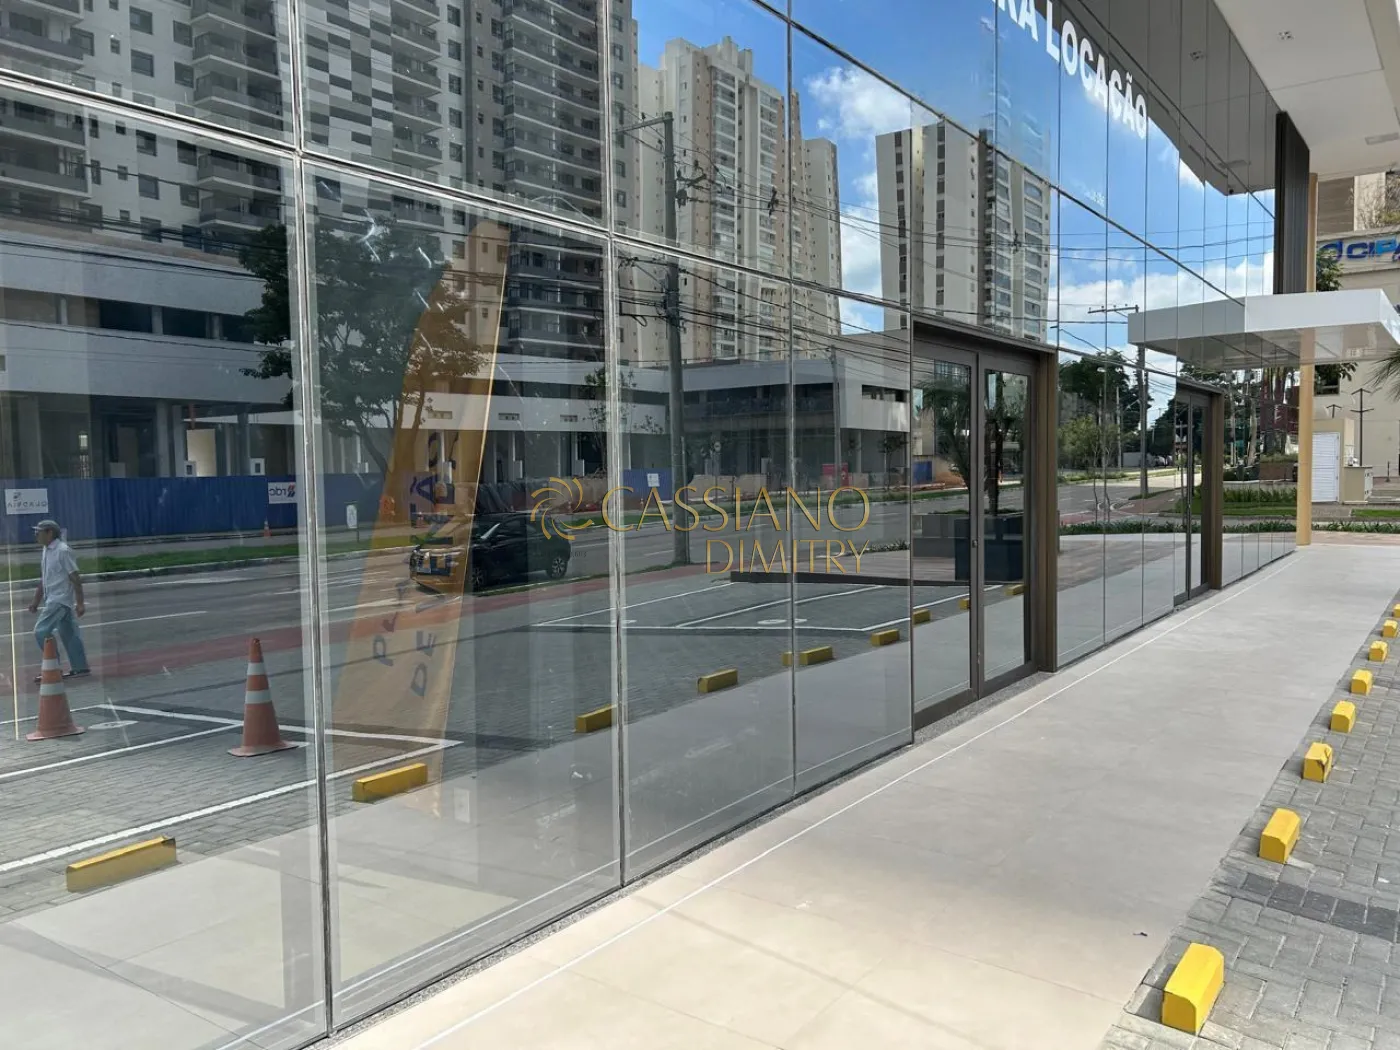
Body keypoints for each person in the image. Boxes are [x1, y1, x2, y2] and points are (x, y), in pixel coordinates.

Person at [27, 519, 90, 681]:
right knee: (69, 634)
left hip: (59, 600)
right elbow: (44, 578)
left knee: (41, 631)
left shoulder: (62, 550)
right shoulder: (46, 550)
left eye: (39, 532)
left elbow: (75, 577)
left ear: (50, 533)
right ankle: (80, 668)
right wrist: (36, 601)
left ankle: (53, 668)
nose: (36, 535)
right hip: (53, 599)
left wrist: (80, 603)